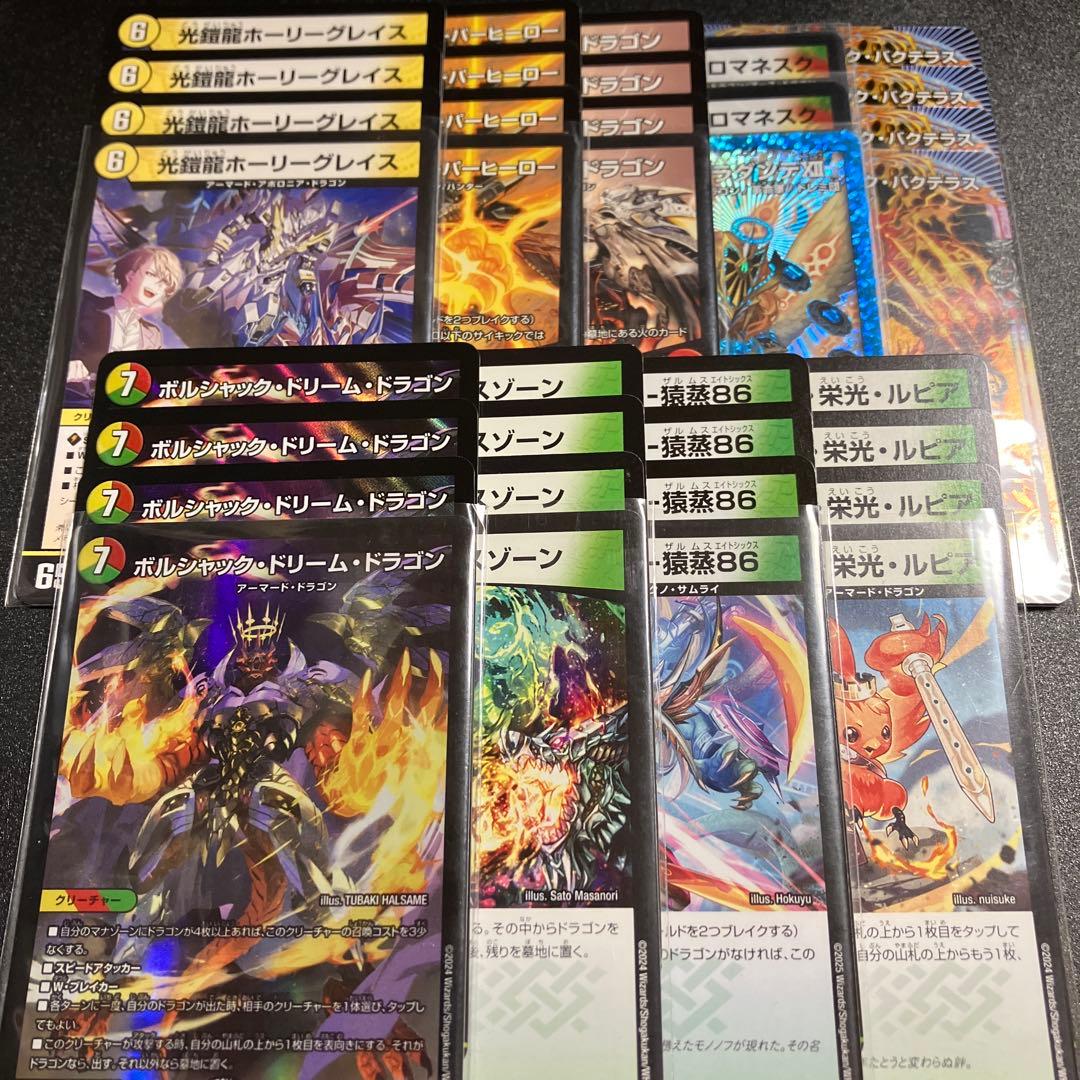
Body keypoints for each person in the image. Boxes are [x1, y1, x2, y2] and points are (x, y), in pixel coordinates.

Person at [70, 245, 184, 380]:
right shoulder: (85, 302)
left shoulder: (153, 335)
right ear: (130, 275)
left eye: (165, 282)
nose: (158, 285)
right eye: (151, 274)